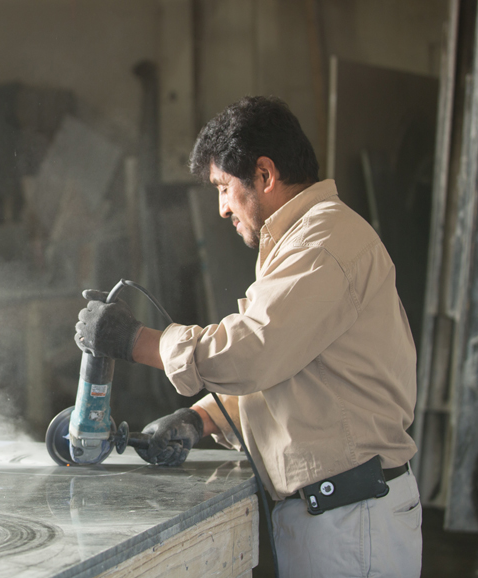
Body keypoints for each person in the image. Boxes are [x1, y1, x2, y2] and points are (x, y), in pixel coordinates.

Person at [74, 96, 422, 578]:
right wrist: (201, 418)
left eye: (222, 187)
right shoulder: (301, 241)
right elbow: (292, 375)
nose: (221, 209)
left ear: (264, 174)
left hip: (351, 521)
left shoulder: (323, 243)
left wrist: (136, 341)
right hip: (337, 516)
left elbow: (254, 352)